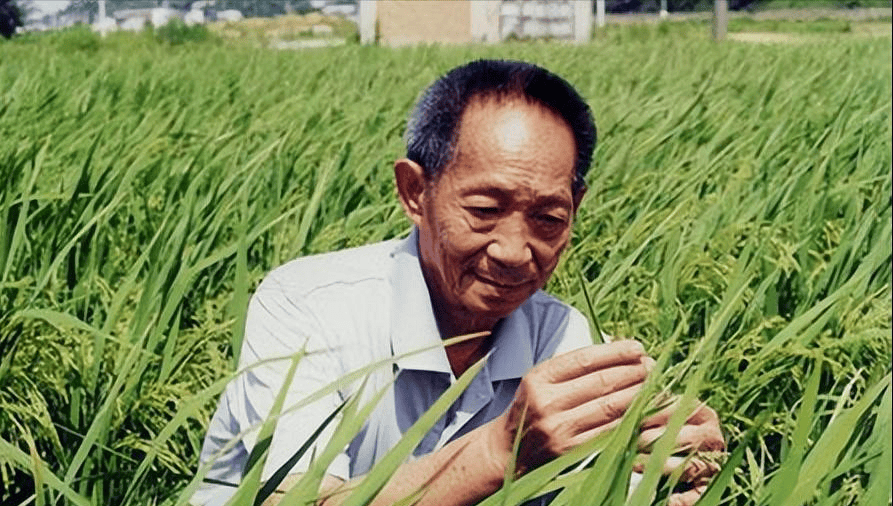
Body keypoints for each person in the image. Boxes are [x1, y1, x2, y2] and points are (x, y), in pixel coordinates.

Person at [193, 59, 724, 506]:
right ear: (414, 192)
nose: (514, 251)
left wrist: (664, 471)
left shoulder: (563, 338)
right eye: (485, 210)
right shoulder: (307, 306)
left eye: (548, 218)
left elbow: (593, 486)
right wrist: (501, 452)